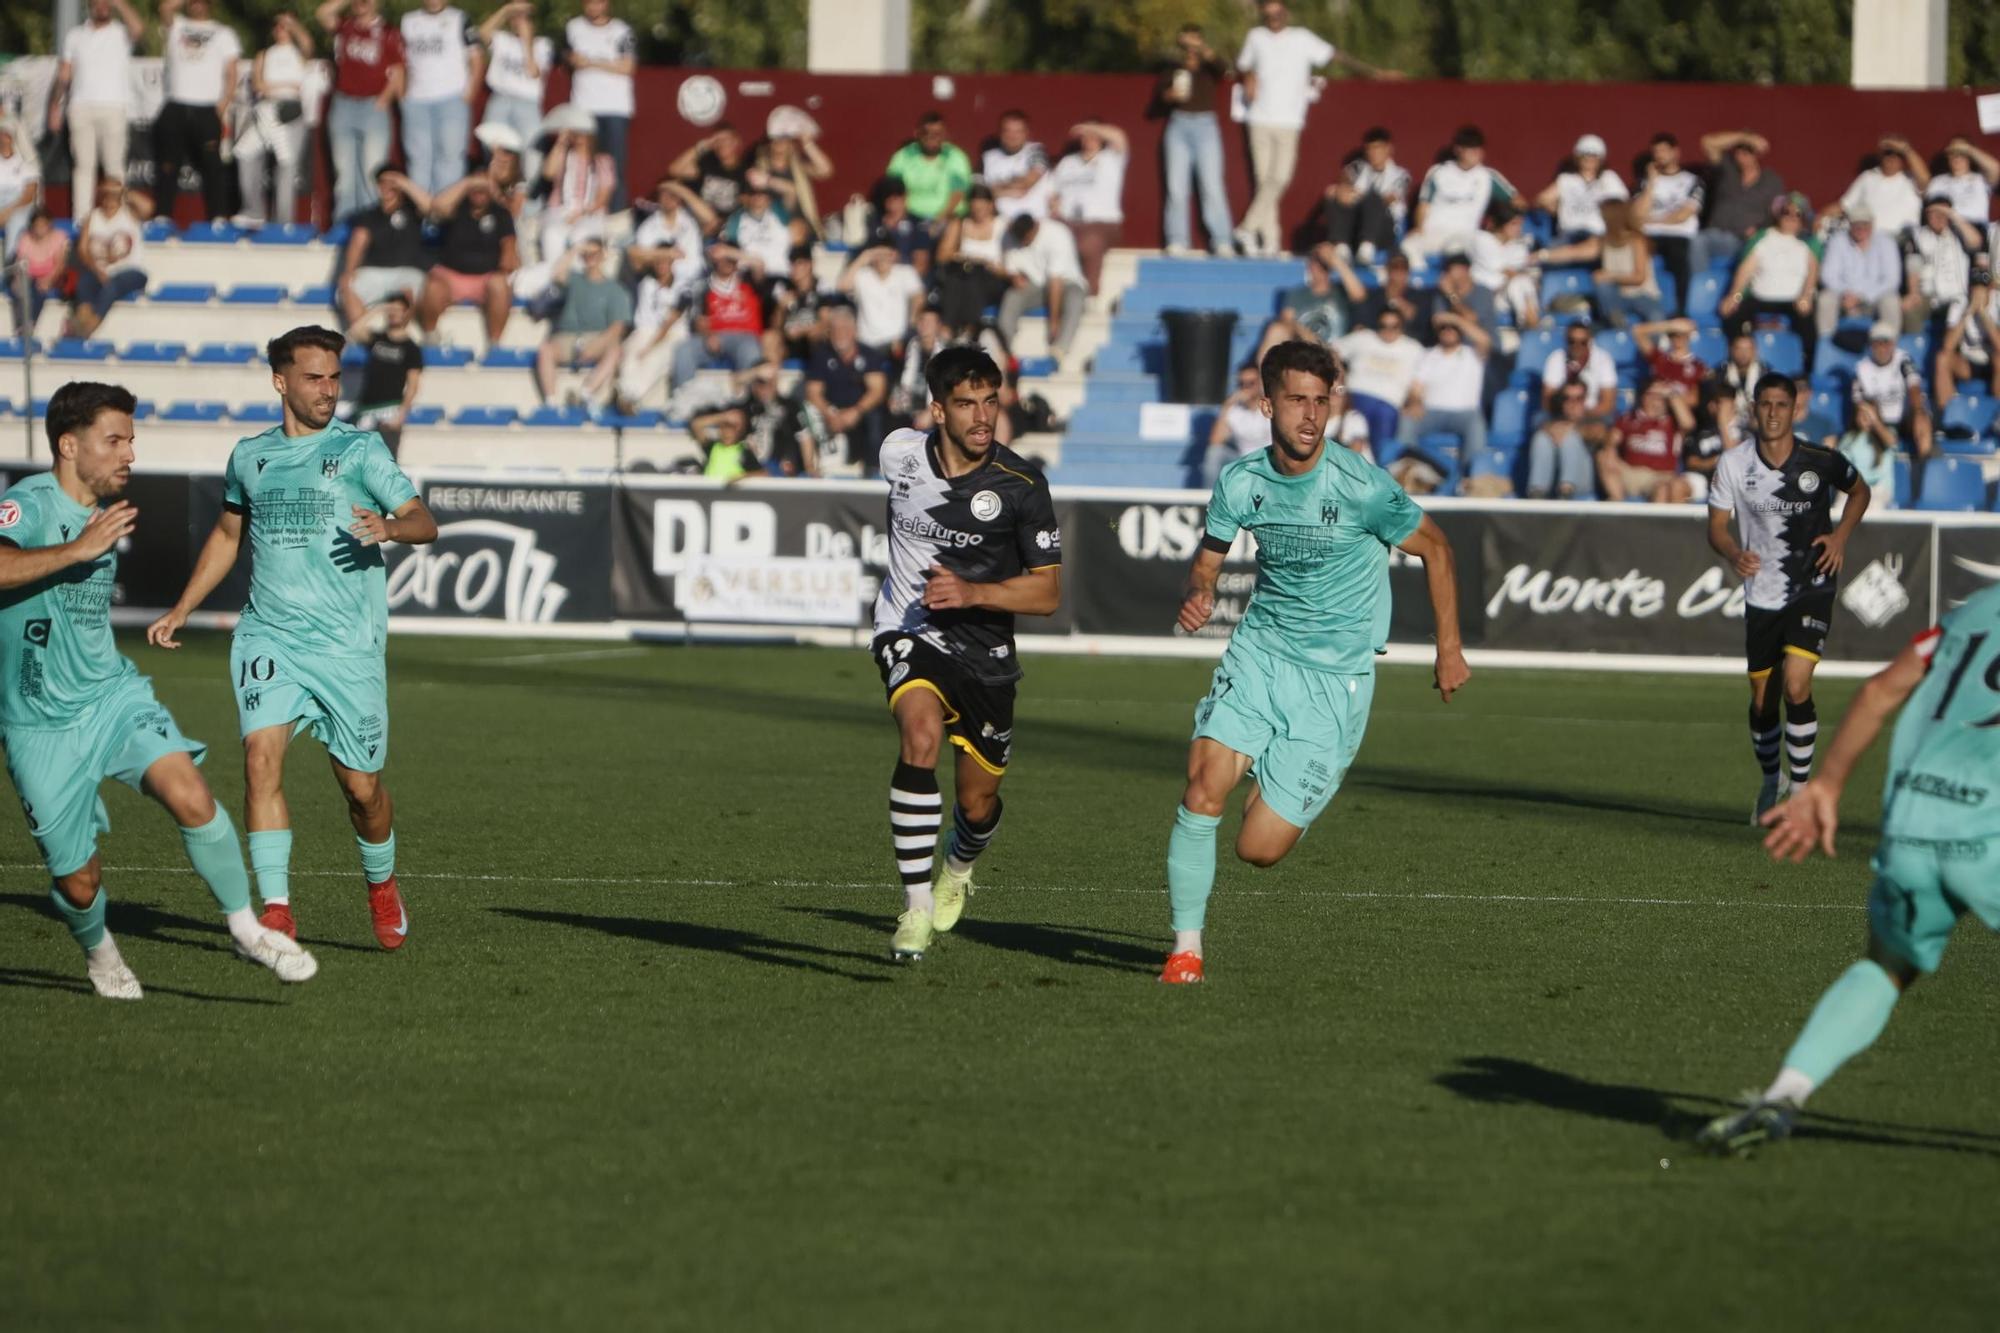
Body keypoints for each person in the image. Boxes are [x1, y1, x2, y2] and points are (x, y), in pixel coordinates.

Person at [1161, 339, 1465, 984]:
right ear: (1266, 404)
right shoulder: (1242, 481)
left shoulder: (1361, 486)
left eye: (1320, 402)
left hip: (1335, 682)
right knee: (1202, 786)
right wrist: (1199, 592)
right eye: (1296, 400)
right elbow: (1208, 560)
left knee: (1257, 850)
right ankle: (1186, 949)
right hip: (1261, 654)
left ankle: (1274, 769)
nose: (1309, 415)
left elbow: (1437, 549)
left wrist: (1448, 649)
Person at [0, 382, 316, 999]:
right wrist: (78, 549)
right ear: (69, 445)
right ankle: (100, 954)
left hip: (111, 698)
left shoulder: (107, 511)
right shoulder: (28, 505)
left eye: (132, 440)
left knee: (190, 792)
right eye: (114, 440)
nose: (130, 454)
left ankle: (246, 929)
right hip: (38, 725)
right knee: (79, 885)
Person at [147, 327, 439, 949]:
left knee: (362, 791)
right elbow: (228, 538)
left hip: (347, 646)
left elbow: (424, 521)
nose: (328, 390)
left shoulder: (362, 452)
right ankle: (276, 911)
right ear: (281, 382)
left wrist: (389, 527)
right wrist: (182, 609)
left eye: (335, 377)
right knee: (259, 763)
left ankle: (381, 884)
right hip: (269, 637)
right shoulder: (249, 457)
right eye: (314, 378)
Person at [1699, 581, 2000, 1154]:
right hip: (1989, 832)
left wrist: (1828, 787)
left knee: (1887, 967)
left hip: (1914, 824)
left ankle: (1786, 1091)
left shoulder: (1977, 610)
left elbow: (1883, 690)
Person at [871, 347, 1062, 962]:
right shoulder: (898, 454)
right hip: (909, 629)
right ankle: (916, 908)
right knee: (919, 737)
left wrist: (974, 591)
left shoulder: (1023, 485)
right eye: (965, 404)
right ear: (936, 410)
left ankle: (957, 865)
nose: (982, 417)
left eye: (990, 402)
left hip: (987, 655)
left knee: (977, 805)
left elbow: (1048, 592)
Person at [1707, 373, 1870, 820]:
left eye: (1782, 405)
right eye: (1766, 404)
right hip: (1761, 593)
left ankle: (1799, 790)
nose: (1774, 412)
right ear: (1754, 409)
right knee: (1763, 699)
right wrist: (1732, 552)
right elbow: (1716, 526)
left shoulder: (1821, 460)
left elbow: (1860, 491)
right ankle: (1770, 779)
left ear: (1795, 410)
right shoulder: (1734, 465)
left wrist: (1839, 538)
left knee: (1797, 684)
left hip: (1811, 582)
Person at [1233, 1, 1399, 257]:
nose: (1274, 19)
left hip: (1289, 120)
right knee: (1264, 182)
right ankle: (1269, 241)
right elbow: (1243, 64)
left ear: (1285, 13)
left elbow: (1334, 55)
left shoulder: (1302, 38)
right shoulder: (1256, 37)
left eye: (1277, 14)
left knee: (1280, 178)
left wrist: (1372, 72)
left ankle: (1247, 227)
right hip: (1259, 119)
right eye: (1268, 15)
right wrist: (1248, 77)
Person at [51, 0, 143, 225]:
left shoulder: (120, 32)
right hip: (80, 106)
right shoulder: (75, 35)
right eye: (98, 2)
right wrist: (55, 106)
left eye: (106, 3)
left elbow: (139, 29)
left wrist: (120, 4)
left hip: (114, 106)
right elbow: (65, 73)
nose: (102, 6)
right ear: (89, 5)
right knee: (83, 166)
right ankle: (81, 218)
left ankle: (118, 216)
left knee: (114, 166)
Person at [153, 0, 242, 223]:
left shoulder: (224, 33)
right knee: (167, 165)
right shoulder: (177, 25)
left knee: (212, 167)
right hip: (176, 104)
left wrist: (222, 104)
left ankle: (218, 217)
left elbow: (232, 73)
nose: (197, 4)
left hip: (207, 108)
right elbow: (164, 8)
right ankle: (163, 216)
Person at [317, 0, 405, 223]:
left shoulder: (389, 32)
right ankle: (345, 224)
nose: (362, 4)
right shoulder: (346, 26)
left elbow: (398, 73)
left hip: (372, 105)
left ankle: (371, 227)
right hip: (344, 103)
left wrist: (383, 101)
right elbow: (323, 13)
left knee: (371, 173)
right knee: (344, 174)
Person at [1154, 24, 1234, 257]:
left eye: (1195, 39)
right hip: (1178, 125)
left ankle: (1222, 240)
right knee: (1176, 187)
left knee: (1212, 185)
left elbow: (1225, 69)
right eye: (1187, 39)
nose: (1191, 44)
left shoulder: (1209, 67)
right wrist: (1169, 95)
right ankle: (1177, 239)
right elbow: (1159, 98)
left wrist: (1203, 50)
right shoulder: (1172, 67)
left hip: (1206, 126)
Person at [232, 15, 315, 229]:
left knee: (286, 165)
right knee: (244, 153)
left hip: (290, 112)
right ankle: (253, 210)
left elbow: (307, 44)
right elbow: (259, 85)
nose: (281, 30)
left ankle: (284, 220)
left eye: (285, 27)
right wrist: (284, 85)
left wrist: (294, 23)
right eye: (277, 26)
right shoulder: (265, 54)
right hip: (266, 111)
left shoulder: (298, 53)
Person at [418, 172, 519, 346]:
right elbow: (436, 206)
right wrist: (467, 182)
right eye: (475, 188)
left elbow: (509, 248)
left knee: (500, 285)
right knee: (433, 286)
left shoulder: (501, 214)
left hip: (486, 277)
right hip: (451, 276)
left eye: (483, 188)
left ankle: (495, 344)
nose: (479, 192)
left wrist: (505, 270)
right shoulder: (455, 209)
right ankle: (430, 336)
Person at [396, 0, 479, 196]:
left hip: (451, 99)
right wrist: (403, 97)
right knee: (418, 160)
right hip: (416, 101)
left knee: (450, 158)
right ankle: (422, 216)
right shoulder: (408, 21)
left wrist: (468, 95)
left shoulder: (461, 18)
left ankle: (445, 216)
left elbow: (477, 59)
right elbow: (400, 62)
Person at [535, 237, 630, 406]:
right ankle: (550, 402)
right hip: (566, 337)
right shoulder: (573, 279)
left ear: (604, 255)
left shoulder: (615, 289)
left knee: (615, 350)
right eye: (587, 254)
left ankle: (587, 392)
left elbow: (617, 327)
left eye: (595, 253)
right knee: (545, 349)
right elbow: (557, 274)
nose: (590, 257)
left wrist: (597, 344)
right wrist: (576, 249)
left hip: (596, 338)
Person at [1718, 194, 1817, 351]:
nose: (1791, 217)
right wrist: (1735, 296)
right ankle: (1734, 359)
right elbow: (1745, 270)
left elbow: (1812, 274)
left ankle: (1805, 370)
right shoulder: (1764, 239)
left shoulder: (1806, 245)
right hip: (1761, 298)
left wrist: (1806, 296)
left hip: (1792, 301)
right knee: (1732, 314)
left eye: (1797, 214)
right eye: (1787, 212)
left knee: (1808, 323)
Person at [1406, 126, 1517, 263]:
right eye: (1471, 148)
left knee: (1455, 249)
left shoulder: (1488, 177)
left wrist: (1499, 224)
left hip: (1463, 236)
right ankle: (1419, 281)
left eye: (1479, 148)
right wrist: (1419, 228)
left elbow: (1517, 201)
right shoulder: (1439, 172)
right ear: (1458, 149)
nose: (1477, 153)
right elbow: (1423, 205)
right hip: (1433, 233)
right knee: (1408, 246)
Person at [1395, 311, 1489, 468]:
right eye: (1443, 328)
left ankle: (1471, 475)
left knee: (1476, 424)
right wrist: (1415, 402)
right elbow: (1416, 388)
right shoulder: (1428, 355)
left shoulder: (1472, 354)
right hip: (1431, 411)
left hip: (1465, 413)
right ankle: (1408, 469)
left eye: (1452, 327)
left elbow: (1484, 340)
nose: (1448, 331)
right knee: (1407, 418)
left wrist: (1454, 319)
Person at [564, 0, 635, 209]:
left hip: (615, 108)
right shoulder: (573, 27)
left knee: (614, 168)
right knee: (581, 166)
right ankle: (579, 212)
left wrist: (591, 62)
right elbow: (565, 56)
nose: (593, 6)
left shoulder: (622, 30)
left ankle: (615, 218)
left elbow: (628, 66)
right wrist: (571, 59)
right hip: (583, 107)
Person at [336, 167, 430, 326]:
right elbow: (358, 242)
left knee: (411, 291)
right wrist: (348, 272)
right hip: (375, 272)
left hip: (407, 271)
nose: (387, 187)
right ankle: (363, 336)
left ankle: (397, 338)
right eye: (382, 182)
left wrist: (403, 182)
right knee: (347, 289)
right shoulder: (367, 215)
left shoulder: (413, 211)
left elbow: (429, 206)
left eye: (392, 183)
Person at [669, 243, 767, 389]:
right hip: (715, 336)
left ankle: (750, 401)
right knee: (684, 350)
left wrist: (729, 252)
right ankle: (684, 399)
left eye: (730, 259)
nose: (726, 263)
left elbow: (759, 263)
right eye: (722, 259)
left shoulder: (748, 280)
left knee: (750, 350)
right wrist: (709, 335)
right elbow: (699, 320)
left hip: (745, 337)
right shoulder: (702, 286)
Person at [804, 306, 889, 473]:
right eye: (835, 329)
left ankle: (873, 468)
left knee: (876, 415)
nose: (840, 333)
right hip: (831, 411)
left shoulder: (869, 355)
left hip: (860, 411)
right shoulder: (821, 356)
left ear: (854, 331)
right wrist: (829, 412)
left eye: (845, 328)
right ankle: (810, 468)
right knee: (806, 412)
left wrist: (856, 411)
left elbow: (877, 390)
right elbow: (813, 392)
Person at [1048, 120, 1128, 293]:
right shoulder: (1067, 162)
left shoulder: (1111, 158)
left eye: (1094, 136)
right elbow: (1053, 192)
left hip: (1101, 223)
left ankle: (1090, 294)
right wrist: (1054, 208)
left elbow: (1119, 137)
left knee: (1089, 243)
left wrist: (1090, 126)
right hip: (1068, 220)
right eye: (1085, 136)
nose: (1089, 140)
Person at [1695, 129, 1786, 278]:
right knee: (1697, 241)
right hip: (1718, 235)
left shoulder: (1772, 181)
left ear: (1756, 155)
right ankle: (1702, 287)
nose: (1742, 155)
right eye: (1739, 150)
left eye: (1748, 151)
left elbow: (1778, 212)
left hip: (1748, 240)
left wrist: (1759, 229)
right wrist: (1744, 137)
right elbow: (1707, 143)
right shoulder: (1727, 170)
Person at [478, 2, 552, 185]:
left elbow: (534, 72)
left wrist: (527, 42)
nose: (520, 22)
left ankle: (528, 198)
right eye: (516, 18)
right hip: (500, 98)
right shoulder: (502, 39)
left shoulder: (543, 45)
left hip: (527, 103)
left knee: (532, 150)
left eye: (524, 17)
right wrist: (506, 10)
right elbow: (481, 34)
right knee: (490, 145)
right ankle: (494, 191)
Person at [341, 292, 423, 454]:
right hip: (366, 408)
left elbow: (413, 385)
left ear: (406, 313)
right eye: (391, 309)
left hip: (389, 409)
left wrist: (402, 414)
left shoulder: (411, 348)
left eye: (399, 310)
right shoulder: (377, 338)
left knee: (386, 460)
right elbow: (354, 332)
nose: (394, 314)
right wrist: (377, 310)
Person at [999, 214, 1087, 364]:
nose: (1023, 243)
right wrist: (1013, 277)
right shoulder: (1011, 236)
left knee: (1076, 298)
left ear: (1034, 229)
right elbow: (1011, 267)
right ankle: (1003, 347)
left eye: (1026, 239)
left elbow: (1056, 281)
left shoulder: (1057, 234)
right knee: (1012, 296)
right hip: (1034, 286)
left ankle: (1059, 349)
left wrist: (1053, 322)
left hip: (1066, 283)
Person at [1631, 132, 1702, 315]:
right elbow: (1637, 214)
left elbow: (1683, 215)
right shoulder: (1645, 182)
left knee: (1680, 261)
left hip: (1678, 235)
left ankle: (1680, 310)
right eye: (1656, 151)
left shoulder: (1692, 181)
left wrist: (1652, 219)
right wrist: (1652, 183)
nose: (1659, 155)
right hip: (1649, 236)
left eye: (1664, 150)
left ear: (1675, 152)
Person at [68, 180, 148, 340]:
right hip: (99, 270)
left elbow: (148, 207)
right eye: (106, 193)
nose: (109, 197)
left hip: (130, 270)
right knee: (84, 283)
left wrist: (124, 191)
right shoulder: (93, 217)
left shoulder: (129, 214)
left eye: (113, 194)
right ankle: (82, 320)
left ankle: (89, 328)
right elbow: (83, 251)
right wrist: (97, 270)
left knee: (111, 286)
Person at [1257, 243, 1365, 361]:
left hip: (1334, 354)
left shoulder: (1341, 292)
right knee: (1276, 330)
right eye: (1314, 263)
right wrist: (1309, 337)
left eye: (1323, 265)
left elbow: (1359, 295)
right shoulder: (1296, 294)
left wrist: (1336, 261)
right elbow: (1286, 320)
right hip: (1304, 351)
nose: (1318, 268)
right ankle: (1267, 374)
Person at [1533, 133, 1628, 263]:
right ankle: (1544, 257)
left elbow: (1620, 205)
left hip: (1598, 234)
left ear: (1601, 159)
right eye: (1585, 155)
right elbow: (1541, 200)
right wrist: (1558, 210)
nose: (1589, 159)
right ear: (1578, 158)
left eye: (1594, 156)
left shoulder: (1609, 178)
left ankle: (1543, 256)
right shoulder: (1566, 179)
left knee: (1597, 247)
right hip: (1570, 233)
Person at [1336, 306, 1424, 445]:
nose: (1388, 330)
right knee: (1349, 435)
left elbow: (1417, 384)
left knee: (1383, 442)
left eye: (1394, 326)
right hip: (1355, 397)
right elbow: (1331, 351)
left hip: (1388, 403)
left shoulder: (1414, 348)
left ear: (1402, 327)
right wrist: (1340, 378)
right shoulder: (1363, 337)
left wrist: (1415, 401)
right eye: (1383, 326)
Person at [1598, 379, 1694, 502]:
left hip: (1660, 476)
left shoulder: (1672, 421)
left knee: (1664, 489)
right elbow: (1611, 440)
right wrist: (1610, 448)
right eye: (1654, 394)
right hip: (1631, 473)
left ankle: (1659, 521)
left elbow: (1689, 424)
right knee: (1603, 456)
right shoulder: (1628, 418)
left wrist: (1671, 393)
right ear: (1644, 397)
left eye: (1661, 396)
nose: (1658, 399)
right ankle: (1617, 504)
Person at [1322, 126, 1408, 264]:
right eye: (1369, 149)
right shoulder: (1358, 168)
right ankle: (1342, 247)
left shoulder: (1400, 175)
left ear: (1388, 149)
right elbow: (1345, 178)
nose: (1373, 153)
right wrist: (1342, 189)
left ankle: (1367, 247)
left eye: (1377, 148)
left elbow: (1388, 199)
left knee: (1373, 197)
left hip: (1384, 229)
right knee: (1333, 193)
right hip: (1356, 225)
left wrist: (1358, 197)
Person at [1851, 322, 1934, 460]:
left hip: (1905, 419)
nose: (1882, 348)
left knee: (1922, 417)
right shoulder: (1861, 369)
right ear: (1871, 345)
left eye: (1886, 343)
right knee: (1864, 417)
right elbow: (1859, 404)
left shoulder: (1904, 360)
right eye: (1878, 343)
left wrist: (1918, 411)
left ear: (1893, 344)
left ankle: (1925, 464)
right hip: (1880, 421)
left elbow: (1914, 386)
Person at [1816, 209, 1903, 339]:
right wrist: (1845, 292)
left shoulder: (1886, 242)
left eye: (1865, 224)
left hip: (1874, 298)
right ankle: (1826, 344)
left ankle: (1890, 344)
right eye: (1857, 224)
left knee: (1891, 301)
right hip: (1845, 298)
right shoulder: (1838, 240)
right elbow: (1828, 275)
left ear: (1872, 224)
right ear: (1850, 224)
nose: (1861, 228)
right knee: (1825, 299)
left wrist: (1862, 296)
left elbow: (1892, 280)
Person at [933, 184, 1008, 335]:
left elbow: (1009, 264)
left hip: (992, 277)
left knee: (972, 279)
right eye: (974, 209)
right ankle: (948, 329)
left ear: (991, 206)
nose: (978, 213)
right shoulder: (960, 223)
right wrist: (962, 256)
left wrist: (987, 263)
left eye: (981, 209)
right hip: (963, 273)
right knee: (957, 279)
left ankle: (969, 328)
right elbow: (942, 256)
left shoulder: (1003, 226)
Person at [537, 124, 617, 261]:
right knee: (551, 234)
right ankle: (553, 276)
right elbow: (548, 173)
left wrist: (580, 215)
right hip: (560, 210)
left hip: (589, 213)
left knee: (581, 235)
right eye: (576, 132)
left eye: (583, 132)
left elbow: (603, 198)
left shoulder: (602, 161)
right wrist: (561, 142)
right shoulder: (564, 155)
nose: (579, 136)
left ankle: (577, 278)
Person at [753, 111, 834, 240]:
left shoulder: (798, 166)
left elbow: (825, 170)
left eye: (785, 139)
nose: (780, 143)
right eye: (776, 139)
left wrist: (808, 144)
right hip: (772, 226)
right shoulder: (760, 166)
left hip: (803, 226)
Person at [839, 244, 925, 360]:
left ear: (894, 255)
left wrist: (910, 327)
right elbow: (842, 286)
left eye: (886, 254)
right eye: (878, 255)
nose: (882, 259)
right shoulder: (863, 275)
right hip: (867, 343)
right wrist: (863, 258)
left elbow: (919, 297)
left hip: (897, 343)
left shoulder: (905, 272)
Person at [885, 112, 972, 225]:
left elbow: (958, 193)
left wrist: (940, 219)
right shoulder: (903, 156)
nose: (932, 137)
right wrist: (899, 215)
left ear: (945, 135)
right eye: (926, 133)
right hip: (910, 217)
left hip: (947, 218)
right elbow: (894, 192)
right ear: (917, 133)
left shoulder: (955, 157)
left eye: (937, 133)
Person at [1832, 138, 1927, 237]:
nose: (1892, 157)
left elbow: (1925, 180)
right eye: (1888, 153)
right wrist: (1821, 216)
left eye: (1897, 154)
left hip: (1901, 240)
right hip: (1869, 240)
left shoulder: (1911, 179)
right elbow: (1845, 205)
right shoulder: (1868, 177)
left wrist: (1905, 149)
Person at [1592, 199, 1663, 329]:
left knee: (1656, 317)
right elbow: (1576, 251)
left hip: (1643, 295)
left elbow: (1639, 277)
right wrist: (1545, 254)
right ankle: (1616, 325)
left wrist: (1610, 276)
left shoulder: (1637, 240)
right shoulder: (1603, 241)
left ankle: (1657, 344)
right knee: (1603, 287)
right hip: (1619, 297)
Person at [1470, 203, 1538, 328]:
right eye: (1513, 224)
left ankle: (1529, 322)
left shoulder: (1519, 247)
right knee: (1520, 282)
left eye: (1519, 224)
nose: (1518, 229)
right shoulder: (1482, 239)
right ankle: (1532, 325)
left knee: (1520, 284)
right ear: (1501, 223)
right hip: (1484, 295)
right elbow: (1505, 270)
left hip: (1506, 296)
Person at [1935, 278, 2000, 408]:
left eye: (1982, 287)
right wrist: (1970, 310)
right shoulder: (1960, 302)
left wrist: (1983, 313)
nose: (1978, 292)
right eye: (1975, 287)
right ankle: (1948, 415)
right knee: (1942, 359)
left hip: (1992, 363)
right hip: (1967, 363)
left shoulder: (1997, 302)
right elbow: (1947, 345)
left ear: (1989, 289)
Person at [1525, 383, 1597, 498]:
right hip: (1553, 479)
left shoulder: (1594, 419)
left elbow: (1599, 434)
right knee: (1541, 438)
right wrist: (1552, 427)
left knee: (1571, 438)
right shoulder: (1549, 420)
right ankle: (1537, 491)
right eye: (1567, 398)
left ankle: (1566, 490)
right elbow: (1536, 422)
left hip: (1582, 480)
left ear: (1585, 399)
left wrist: (1572, 427)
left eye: (1579, 398)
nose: (1573, 404)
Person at [1205, 364, 1271, 488]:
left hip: (1268, 460)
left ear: (1260, 383)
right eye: (1242, 384)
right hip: (1242, 460)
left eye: (1251, 383)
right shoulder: (1234, 411)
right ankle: (1209, 500)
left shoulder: (1271, 407)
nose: (1246, 388)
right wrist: (1227, 405)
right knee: (1214, 453)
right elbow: (1215, 441)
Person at [1540, 320, 1618, 425]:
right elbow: (1547, 400)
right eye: (1572, 341)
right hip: (1561, 414)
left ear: (1590, 341)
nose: (1577, 346)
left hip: (1592, 415)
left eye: (1583, 342)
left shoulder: (1603, 359)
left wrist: (1582, 415)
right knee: (1540, 422)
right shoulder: (1555, 358)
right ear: (1566, 340)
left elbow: (1608, 403)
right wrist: (1567, 415)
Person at [981, 110, 1052, 224]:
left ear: (1027, 133)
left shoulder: (1036, 151)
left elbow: (1026, 183)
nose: (1012, 136)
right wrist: (1008, 191)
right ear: (1000, 133)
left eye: (1018, 131)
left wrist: (997, 189)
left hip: (1035, 222)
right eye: (1007, 131)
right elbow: (982, 194)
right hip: (1000, 223)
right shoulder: (989, 157)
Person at [671, 122, 752, 219]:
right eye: (718, 140)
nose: (721, 143)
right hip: (697, 219)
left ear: (736, 142)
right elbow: (674, 170)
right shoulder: (708, 162)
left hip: (725, 226)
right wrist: (703, 145)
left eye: (725, 139)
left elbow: (748, 206)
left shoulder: (745, 171)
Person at [11, 210, 71, 331]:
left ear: (49, 225)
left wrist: (48, 280)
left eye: (43, 225)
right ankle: (21, 326)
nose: (40, 228)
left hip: (52, 276)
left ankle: (30, 324)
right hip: (29, 275)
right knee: (21, 288)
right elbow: (21, 262)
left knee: (40, 290)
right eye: (37, 225)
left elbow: (60, 264)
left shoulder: (58, 237)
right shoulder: (25, 238)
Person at [1927, 137, 1998, 224]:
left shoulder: (1980, 179)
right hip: (1948, 230)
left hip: (1976, 228)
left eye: (1961, 152)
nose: (1957, 156)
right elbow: (1931, 210)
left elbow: (1996, 170)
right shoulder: (1937, 181)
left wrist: (1968, 149)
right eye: (1953, 152)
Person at [0, 120, 42, 259]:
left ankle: (12, 264)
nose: (3, 138)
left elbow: (29, 195)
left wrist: (7, 211)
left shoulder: (27, 166)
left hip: (18, 204)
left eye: (6, 134)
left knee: (18, 219)